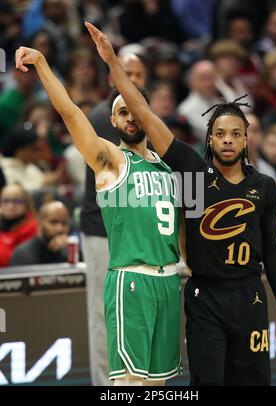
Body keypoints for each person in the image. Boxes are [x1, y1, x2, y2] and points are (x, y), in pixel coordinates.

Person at [85, 22, 276, 386]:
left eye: (236, 135)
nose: (228, 141)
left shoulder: (264, 185)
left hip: (250, 296)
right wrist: (114, 65)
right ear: (208, 139)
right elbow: (145, 115)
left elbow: (273, 248)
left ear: (247, 140)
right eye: (220, 134)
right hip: (205, 296)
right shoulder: (193, 174)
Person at [15, 43, 181, 386]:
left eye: (135, 110)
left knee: (158, 385)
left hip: (168, 282)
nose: (131, 118)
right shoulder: (109, 159)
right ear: (112, 120)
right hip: (132, 280)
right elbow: (71, 113)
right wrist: (44, 64)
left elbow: (186, 221)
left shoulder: (171, 166)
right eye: (122, 112)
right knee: (129, 385)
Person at [80, 52, 147, 386]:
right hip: (102, 230)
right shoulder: (99, 116)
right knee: (104, 315)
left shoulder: (149, 118)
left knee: (138, 317)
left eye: (137, 74)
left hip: (140, 234)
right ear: (112, 77)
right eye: (126, 72)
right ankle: (106, 388)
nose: (132, 79)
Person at [10, 200, 70, 266]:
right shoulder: (22, 254)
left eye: (64, 223)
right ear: (39, 221)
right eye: (53, 222)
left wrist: (70, 250)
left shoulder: (70, 250)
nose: (59, 228)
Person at [0, 184, 38, 267]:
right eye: (6, 201)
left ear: (26, 204)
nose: (11, 206)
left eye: (16, 201)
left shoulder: (32, 227)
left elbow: (17, 259)